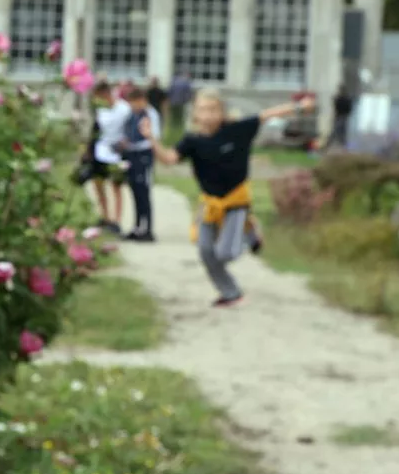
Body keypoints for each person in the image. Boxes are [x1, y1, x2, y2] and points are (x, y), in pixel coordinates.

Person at [148, 90, 317, 307]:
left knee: (225, 253)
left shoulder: (238, 130)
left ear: (222, 112)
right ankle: (231, 293)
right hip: (210, 203)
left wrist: (299, 107)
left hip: (236, 201)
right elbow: (169, 159)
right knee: (205, 251)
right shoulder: (192, 141)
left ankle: (251, 231)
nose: (208, 115)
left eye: (213, 110)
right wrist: (152, 140)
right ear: (195, 115)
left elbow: (267, 115)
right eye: (202, 110)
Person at [84, 81, 131, 232]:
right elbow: (96, 129)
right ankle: (105, 216)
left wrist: (125, 142)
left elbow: (130, 128)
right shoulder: (100, 110)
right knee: (98, 184)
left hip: (116, 152)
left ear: (106, 94)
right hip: (100, 150)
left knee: (116, 186)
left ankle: (116, 220)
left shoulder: (124, 109)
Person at [123, 88, 162, 241]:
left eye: (133, 103)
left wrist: (136, 145)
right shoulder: (133, 114)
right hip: (132, 154)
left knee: (144, 192)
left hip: (144, 154)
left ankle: (148, 228)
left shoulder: (150, 114)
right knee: (135, 192)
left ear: (141, 100)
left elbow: (154, 137)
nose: (132, 106)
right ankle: (138, 226)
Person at [329, 85, 354, 149]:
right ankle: (340, 145)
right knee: (339, 132)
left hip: (341, 116)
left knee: (339, 132)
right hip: (341, 116)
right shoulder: (345, 98)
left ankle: (341, 145)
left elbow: (348, 108)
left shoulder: (342, 98)